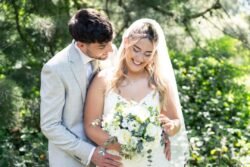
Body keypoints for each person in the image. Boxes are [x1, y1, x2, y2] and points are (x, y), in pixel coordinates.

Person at [84, 18, 189, 167]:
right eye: (136, 49)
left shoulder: (160, 82)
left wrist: (171, 127)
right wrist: (122, 146)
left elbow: (175, 121)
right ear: (126, 42)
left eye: (147, 53)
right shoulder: (103, 79)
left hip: (154, 160)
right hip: (115, 161)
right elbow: (90, 126)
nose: (140, 58)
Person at [40, 9, 122, 167]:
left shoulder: (110, 52)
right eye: (103, 46)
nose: (111, 49)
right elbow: (50, 125)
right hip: (71, 160)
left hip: (112, 155)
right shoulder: (55, 69)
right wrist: (90, 153)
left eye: (111, 42)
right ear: (81, 44)